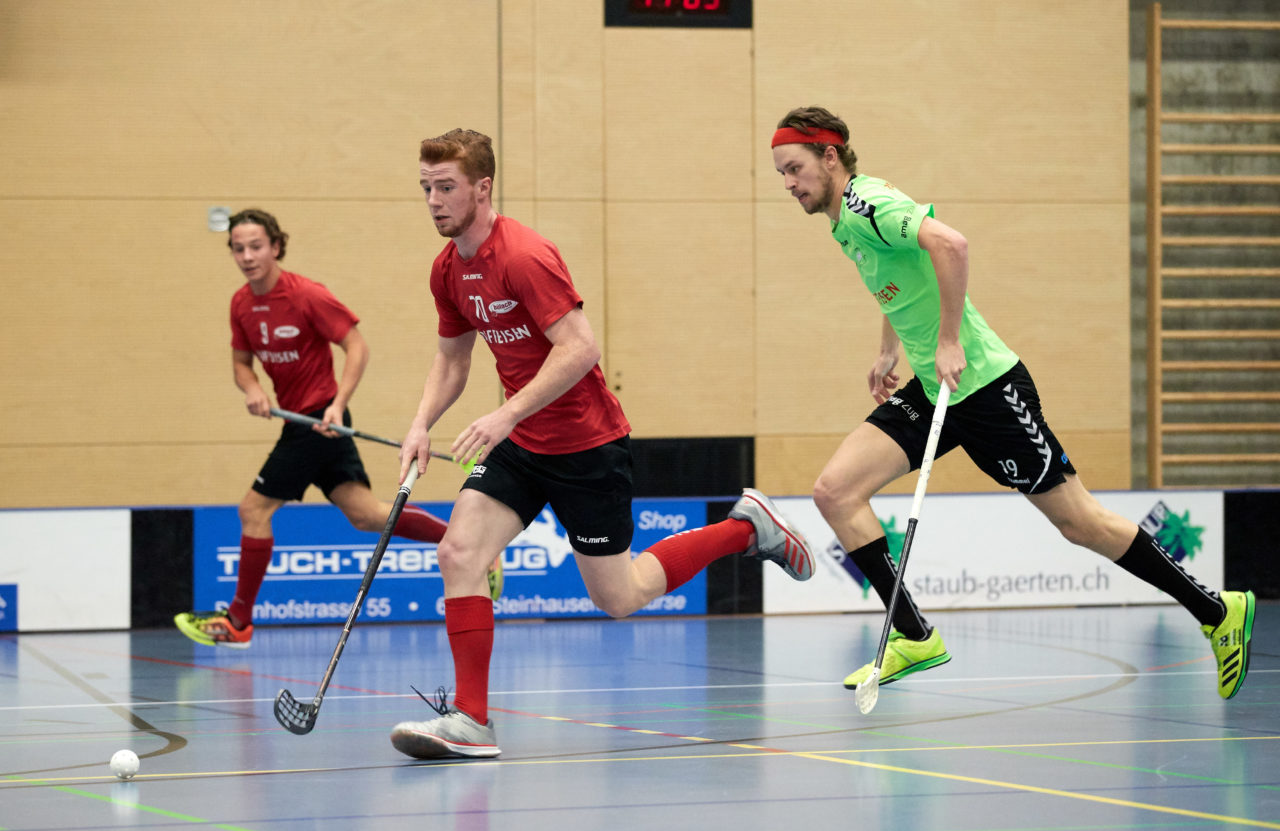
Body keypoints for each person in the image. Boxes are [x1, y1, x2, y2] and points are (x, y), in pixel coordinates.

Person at [770, 105, 1256, 701]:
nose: (788, 183)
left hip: (988, 389)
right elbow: (902, 278)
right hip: (936, 388)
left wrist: (950, 339)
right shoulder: (844, 220)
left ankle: (1216, 610)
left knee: (1080, 523)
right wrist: (889, 349)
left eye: (794, 168)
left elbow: (951, 245)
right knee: (836, 491)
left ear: (829, 157)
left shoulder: (869, 203)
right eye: (781, 174)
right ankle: (914, 635)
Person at [388, 129, 815, 760]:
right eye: (426, 187)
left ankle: (746, 528)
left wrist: (505, 413)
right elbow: (453, 358)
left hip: (586, 446)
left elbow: (581, 347)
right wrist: (421, 423)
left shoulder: (524, 256)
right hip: (521, 443)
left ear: (482, 188)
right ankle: (473, 720)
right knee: (458, 552)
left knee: (620, 597)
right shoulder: (447, 269)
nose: (433, 200)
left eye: (445, 186)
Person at [174, 208, 500, 648]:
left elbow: (356, 346)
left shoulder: (306, 295)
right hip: (301, 423)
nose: (247, 256)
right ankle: (471, 545)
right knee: (367, 515)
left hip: (320, 421)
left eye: (256, 246)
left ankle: (238, 622)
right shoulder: (241, 304)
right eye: (238, 248)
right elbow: (241, 363)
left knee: (253, 511)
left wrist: (338, 403)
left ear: (275, 247)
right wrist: (252, 389)